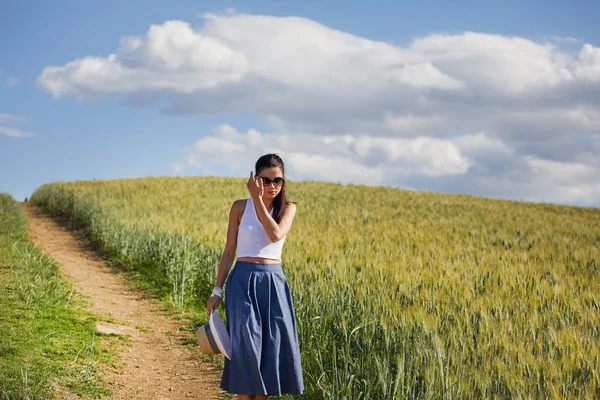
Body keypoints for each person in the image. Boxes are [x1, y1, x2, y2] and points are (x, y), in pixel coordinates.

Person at [206, 153, 305, 399]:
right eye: (267, 180)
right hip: (242, 281)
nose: (272, 186)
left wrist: (257, 199)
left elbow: (274, 234)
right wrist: (216, 290)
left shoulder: (289, 209)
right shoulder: (239, 207)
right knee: (246, 350)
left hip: (273, 283)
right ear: (256, 179)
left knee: (269, 353)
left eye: (278, 180)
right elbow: (229, 251)